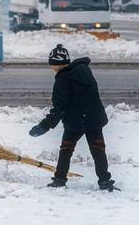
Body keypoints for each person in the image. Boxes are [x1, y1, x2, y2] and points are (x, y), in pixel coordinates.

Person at [29, 44, 117, 192]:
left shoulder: (62, 81)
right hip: (93, 118)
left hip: (76, 121)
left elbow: (59, 109)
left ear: (56, 65)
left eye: (52, 66)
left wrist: (44, 126)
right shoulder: (84, 70)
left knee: (66, 150)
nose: (52, 69)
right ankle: (105, 182)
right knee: (98, 151)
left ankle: (59, 180)